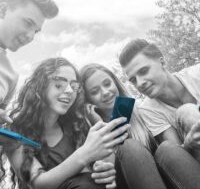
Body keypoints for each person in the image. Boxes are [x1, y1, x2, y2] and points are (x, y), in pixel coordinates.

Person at [4, 57, 131, 189]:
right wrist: (84, 154)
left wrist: (103, 170)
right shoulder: (14, 131)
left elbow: (92, 171)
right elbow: (38, 184)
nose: (70, 91)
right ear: (38, 87)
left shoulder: (76, 124)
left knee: (130, 148)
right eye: (59, 85)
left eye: (74, 86)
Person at [119, 38, 200, 189]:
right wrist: (189, 144)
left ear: (162, 62)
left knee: (187, 110)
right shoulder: (148, 110)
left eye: (144, 71)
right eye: (133, 80)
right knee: (167, 147)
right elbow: (176, 153)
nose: (140, 83)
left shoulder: (196, 74)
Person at [80, 63, 168, 189]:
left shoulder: (141, 110)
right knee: (130, 146)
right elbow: (109, 181)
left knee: (167, 148)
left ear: (115, 83)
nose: (105, 92)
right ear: (88, 100)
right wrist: (102, 128)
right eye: (95, 92)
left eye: (107, 84)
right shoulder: (90, 135)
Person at [0, 0, 58, 145]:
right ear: (3, 10)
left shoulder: (11, 76)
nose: (31, 36)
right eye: (27, 23)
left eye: (36, 31)